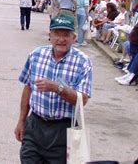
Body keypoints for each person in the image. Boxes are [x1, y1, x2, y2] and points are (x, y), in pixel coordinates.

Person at [14, 13, 93, 163]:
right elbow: (28, 88)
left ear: (74, 37)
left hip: (63, 131)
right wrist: (21, 121)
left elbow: (82, 100)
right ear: (49, 35)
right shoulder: (36, 55)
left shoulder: (83, 62)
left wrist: (59, 88)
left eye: (66, 35)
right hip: (35, 126)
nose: (61, 39)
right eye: (57, 34)